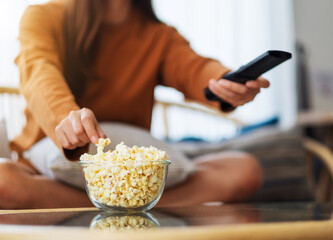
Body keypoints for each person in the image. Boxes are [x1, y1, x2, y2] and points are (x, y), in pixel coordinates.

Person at [1, 0, 270, 209]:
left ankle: (103, 210)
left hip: (138, 177)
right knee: (3, 181)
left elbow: (194, 68)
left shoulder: (159, 36)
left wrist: (226, 83)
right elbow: (39, 72)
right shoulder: (44, 16)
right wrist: (66, 118)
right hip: (47, 170)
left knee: (245, 170)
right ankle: (136, 210)